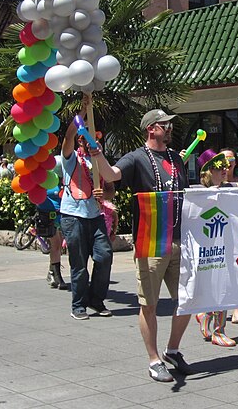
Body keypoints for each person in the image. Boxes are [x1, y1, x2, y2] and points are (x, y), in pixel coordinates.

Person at [91, 108, 194, 383]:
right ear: (151, 129)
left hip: (179, 240)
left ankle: (172, 350)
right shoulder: (137, 157)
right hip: (150, 241)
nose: (169, 129)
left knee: (187, 300)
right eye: (164, 125)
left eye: (170, 125)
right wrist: (97, 154)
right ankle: (153, 359)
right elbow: (112, 175)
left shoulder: (176, 158)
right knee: (148, 304)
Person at [58, 95, 114, 321]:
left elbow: (110, 188)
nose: (86, 141)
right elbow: (68, 136)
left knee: (104, 256)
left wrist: (105, 194)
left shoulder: (98, 159)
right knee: (79, 263)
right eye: (84, 137)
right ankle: (79, 304)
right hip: (73, 216)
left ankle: (96, 299)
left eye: (91, 137)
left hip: (96, 214)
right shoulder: (70, 158)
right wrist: (81, 114)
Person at [193, 149, 238, 346]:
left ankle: (216, 327)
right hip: (208, 249)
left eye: (225, 165)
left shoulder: (228, 186)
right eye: (219, 167)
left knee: (224, 286)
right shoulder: (199, 193)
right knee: (213, 287)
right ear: (208, 172)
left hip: (226, 246)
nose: (225, 169)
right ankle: (209, 319)